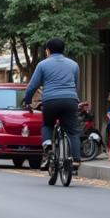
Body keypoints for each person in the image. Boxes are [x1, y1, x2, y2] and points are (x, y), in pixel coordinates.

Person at [23, 37, 81, 170]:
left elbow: (32, 86)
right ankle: (76, 160)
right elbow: (76, 85)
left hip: (50, 101)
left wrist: (27, 101)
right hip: (70, 100)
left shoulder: (42, 65)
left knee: (47, 124)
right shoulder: (74, 64)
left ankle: (48, 145)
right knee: (72, 131)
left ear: (48, 51)